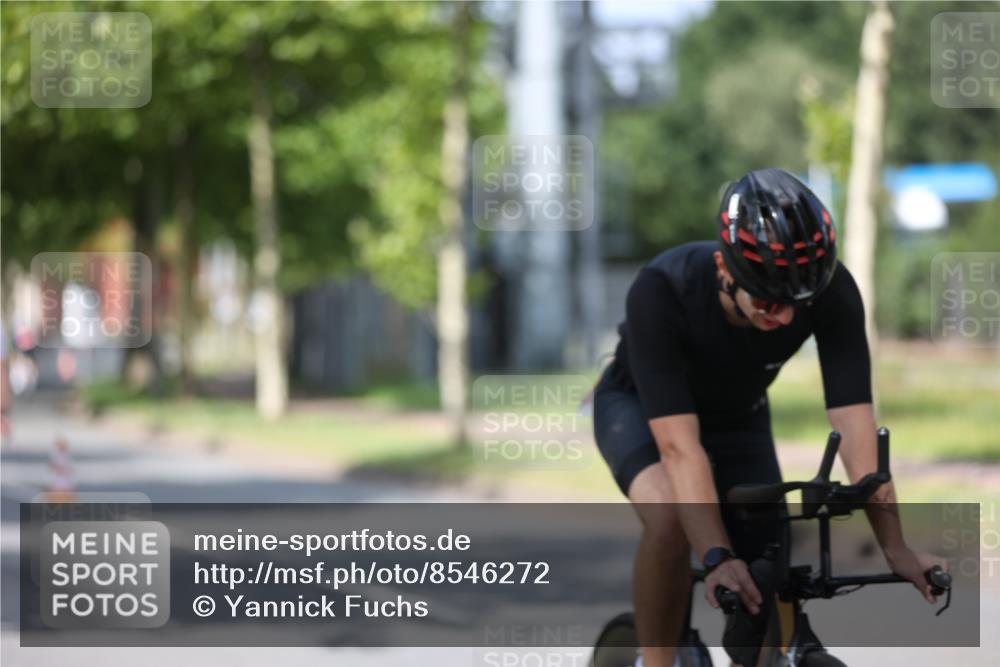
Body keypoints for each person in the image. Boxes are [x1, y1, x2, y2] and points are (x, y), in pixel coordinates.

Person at [592, 168, 946, 667]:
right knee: (671, 518)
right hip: (640, 412)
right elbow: (680, 448)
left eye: (798, 304)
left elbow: (855, 426)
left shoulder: (832, 290)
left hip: (740, 417)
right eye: (766, 301)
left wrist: (896, 547)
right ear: (724, 266)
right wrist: (717, 555)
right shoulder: (662, 289)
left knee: (767, 561)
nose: (783, 318)